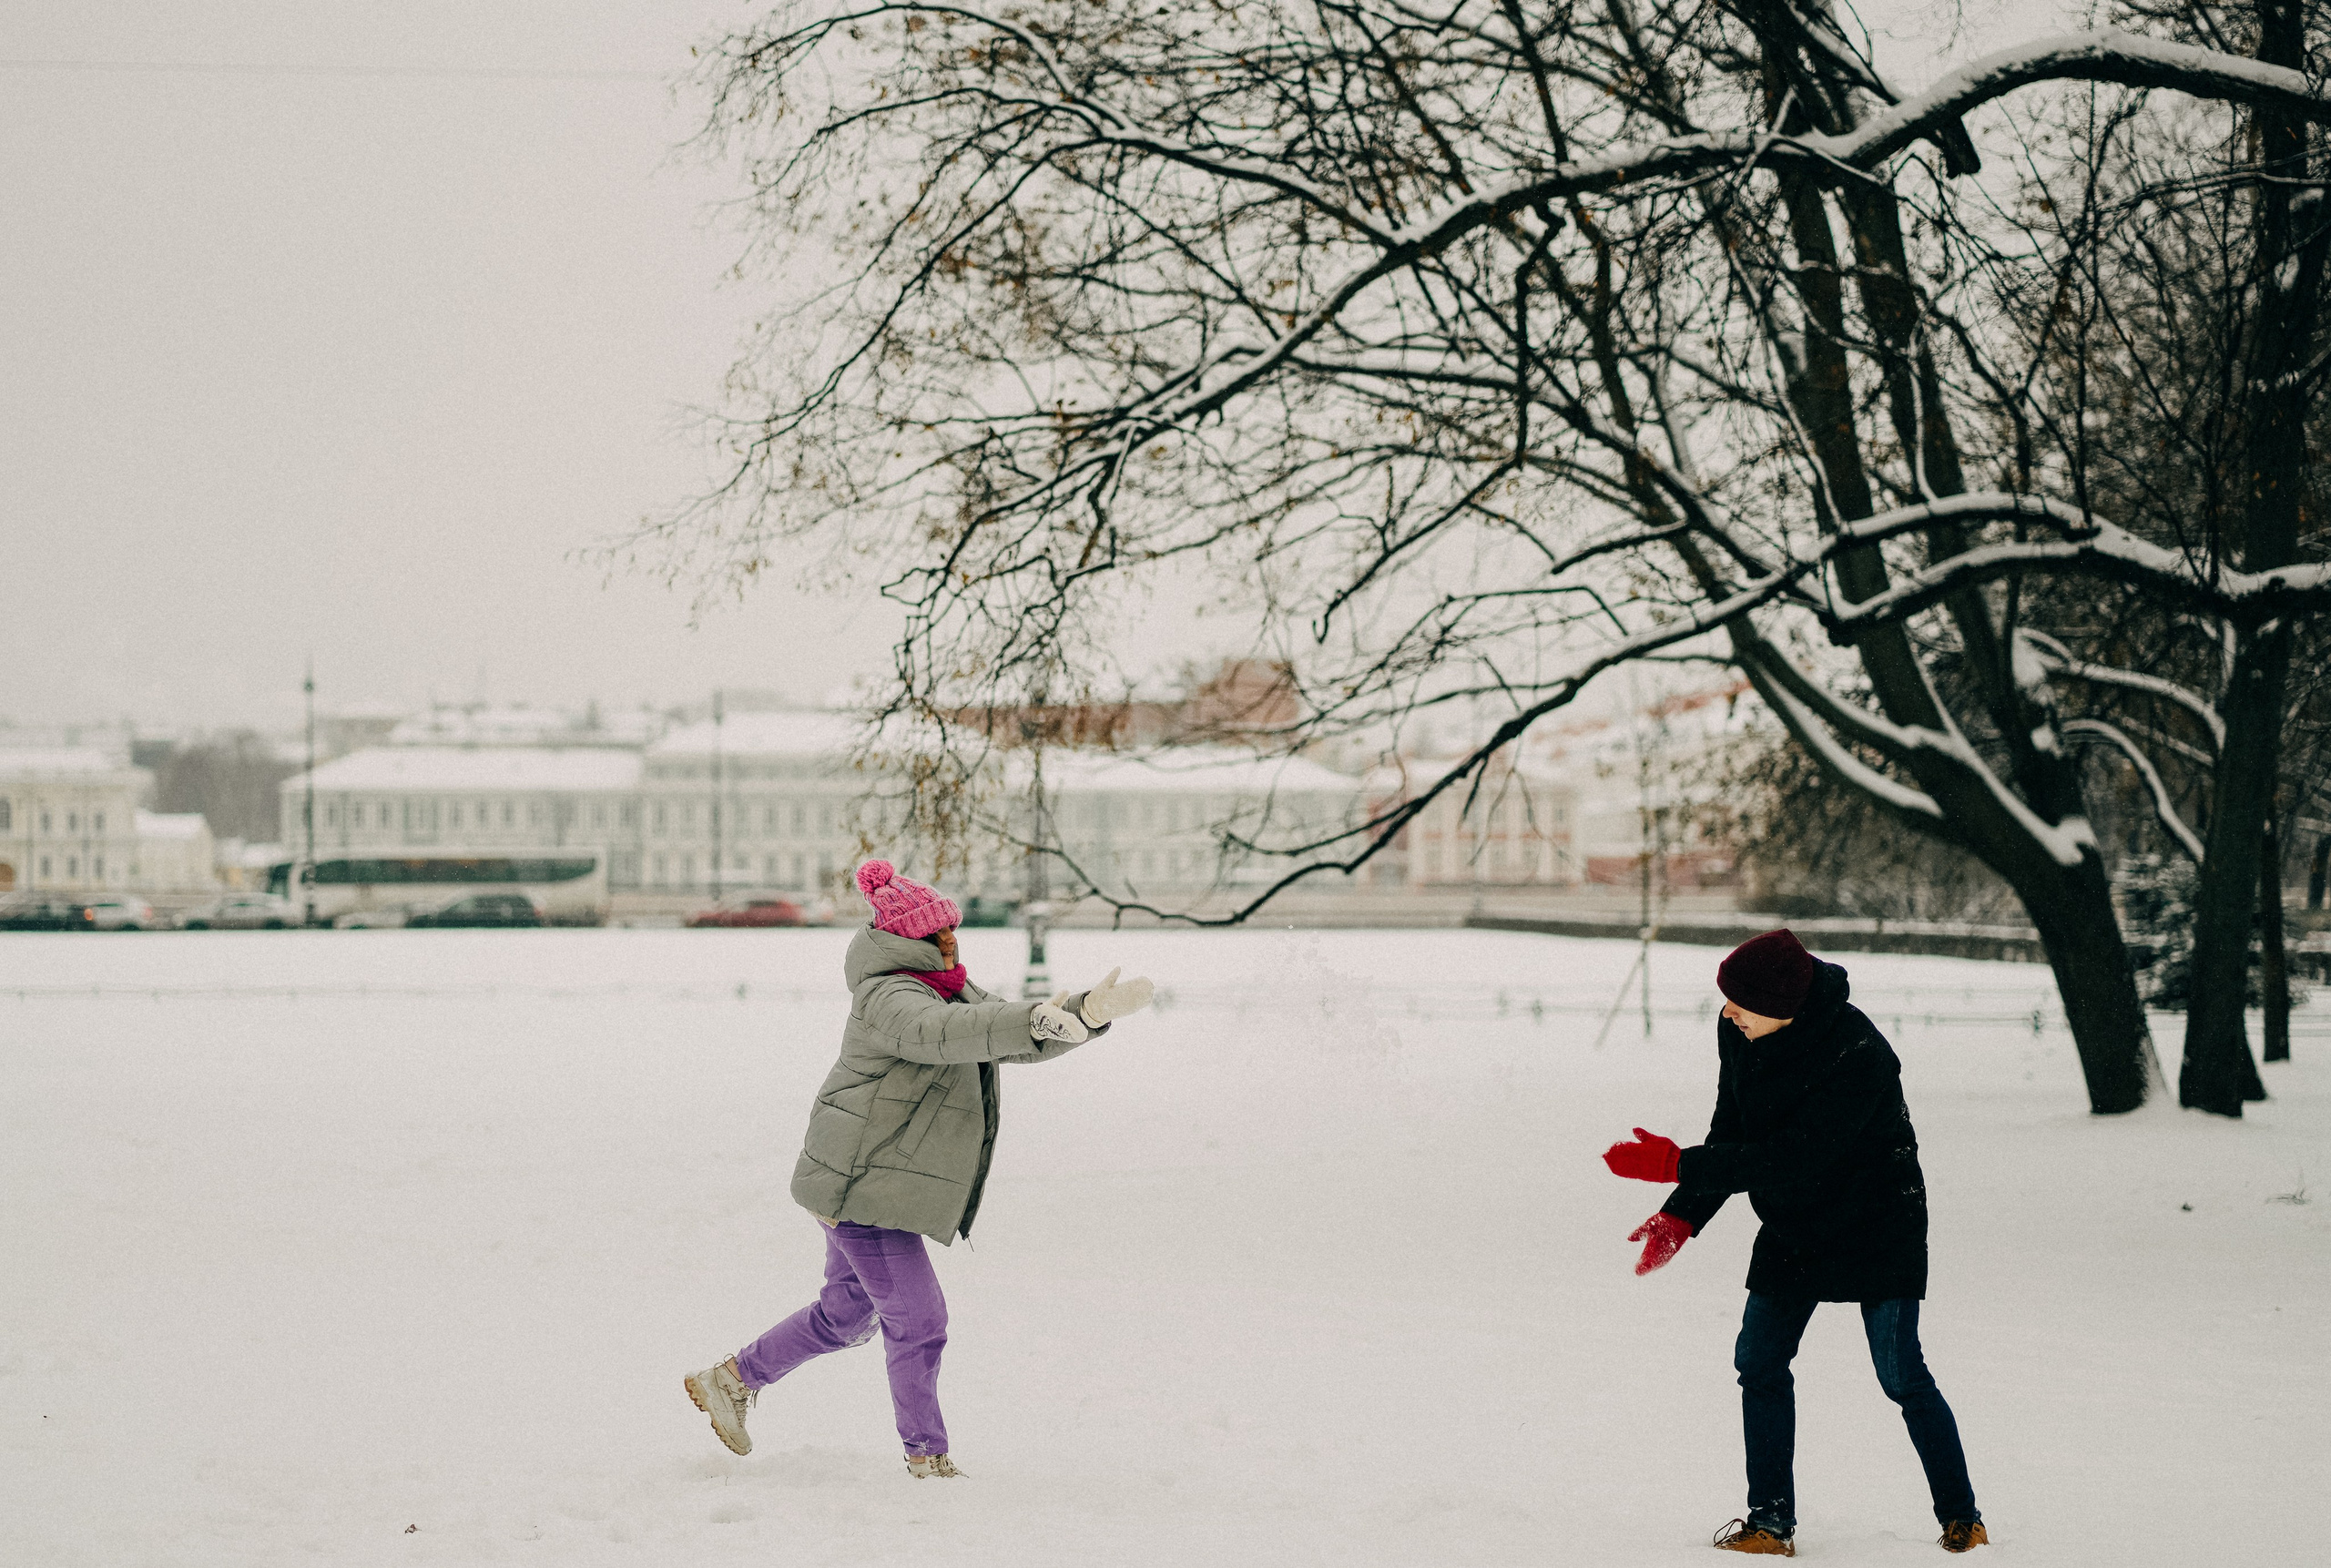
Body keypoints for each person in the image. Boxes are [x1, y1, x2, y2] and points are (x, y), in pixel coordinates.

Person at [686, 859, 1154, 1479]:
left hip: (870, 1178)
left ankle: (730, 1379)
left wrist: (1083, 1014)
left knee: (847, 1315)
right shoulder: (890, 997)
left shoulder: (947, 986)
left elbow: (1000, 1032)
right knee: (920, 1320)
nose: (951, 939)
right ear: (908, 938)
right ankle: (927, 1457)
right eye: (938, 932)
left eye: (952, 928)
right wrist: (1031, 1018)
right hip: (861, 1186)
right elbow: (945, 1033)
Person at [1603, 929, 1986, 1556]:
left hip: (1877, 1222)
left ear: (1782, 1006)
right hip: (1794, 1222)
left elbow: (1797, 1154)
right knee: (1758, 1361)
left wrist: (1677, 1164)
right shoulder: (1740, 1031)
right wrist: (1682, 1215)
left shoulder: (1859, 1052)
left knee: (1901, 1375)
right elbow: (1734, 1132)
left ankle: (1963, 1519)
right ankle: (1770, 1523)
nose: (1727, 1012)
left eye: (1740, 1003)